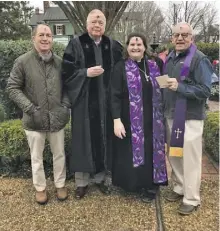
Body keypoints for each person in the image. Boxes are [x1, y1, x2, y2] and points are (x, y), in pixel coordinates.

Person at [61, 9, 123, 199]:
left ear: (104, 26)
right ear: (87, 25)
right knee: (83, 141)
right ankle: (81, 183)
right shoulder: (76, 44)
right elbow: (66, 72)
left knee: (104, 138)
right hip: (84, 103)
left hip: (105, 103)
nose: (97, 26)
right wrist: (85, 73)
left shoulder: (111, 45)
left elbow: (122, 70)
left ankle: (101, 179)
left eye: (101, 23)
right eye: (94, 22)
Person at [7, 23, 70, 205]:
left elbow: (68, 87)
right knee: (36, 157)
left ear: (52, 39)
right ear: (33, 38)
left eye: (48, 35)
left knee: (59, 154)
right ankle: (40, 188)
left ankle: (60, 184)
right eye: (41, 35)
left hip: (57, 118)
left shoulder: (59, 62)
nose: (45, 39)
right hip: (34, 119)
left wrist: (65, 106)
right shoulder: (23, 61)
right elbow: (12, 87)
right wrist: (30, 108)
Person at [110, 32, 168, 203]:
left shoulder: (156, 63)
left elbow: (163, 85)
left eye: (139, 45)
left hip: (153, 120)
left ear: (145, 47)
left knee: (151, 151)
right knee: (132, 152)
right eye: (132, 45)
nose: (135, 48)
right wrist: (116, 119)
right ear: (127, 47)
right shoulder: (120, 67)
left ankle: (152, 185)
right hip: (130, 119)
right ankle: (133, 184)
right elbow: (114, 95)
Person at [163, 22, 213, 215]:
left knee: (191, 160)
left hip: (190, 117)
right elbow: (167, 83)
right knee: (174, 155)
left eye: (185, 35)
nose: (180, 38)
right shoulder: (170, 57)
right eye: (177, 35)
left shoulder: (200, 59)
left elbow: (205, 90)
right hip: (171, 114)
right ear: (172, 38)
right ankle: (180, 187)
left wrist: (180, 87)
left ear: (192, 38)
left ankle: (192, 198)